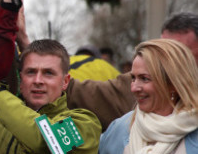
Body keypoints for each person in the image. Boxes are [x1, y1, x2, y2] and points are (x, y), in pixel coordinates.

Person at [65, 12, 198, 130]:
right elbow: (84, 93)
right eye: (161, 51)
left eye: (179, 53)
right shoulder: (118, 131)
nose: (135, 88)